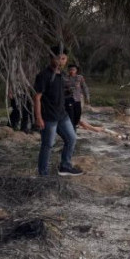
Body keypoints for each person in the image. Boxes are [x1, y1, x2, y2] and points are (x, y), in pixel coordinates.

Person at [34, 46, 83, 177]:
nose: (61, 61)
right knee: (48, 145)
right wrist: (38, 117)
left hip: (62, 115)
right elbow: (37, 98)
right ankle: (43, 174)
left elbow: (61, 94)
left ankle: (65, 166)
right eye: (59, 58)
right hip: (49, 117)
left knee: (71, 138)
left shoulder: (61, 75)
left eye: (64, 58)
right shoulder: (43, 75)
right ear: (51, 58)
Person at [64, 64, 90, 130]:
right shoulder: (64, 78)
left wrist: (87, 96)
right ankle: (72, 129)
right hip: (68, 99)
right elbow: (61, 89)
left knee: (78, 114)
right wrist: (68, 90)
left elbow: (85, 87)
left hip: (78, 99)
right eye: (70, 70)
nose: (72, 71)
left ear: (76, 70)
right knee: (70, 115)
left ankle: (75, 125)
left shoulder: (80, 77)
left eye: (73, 70)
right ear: (68, 70)